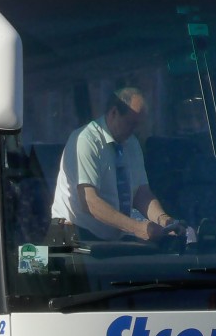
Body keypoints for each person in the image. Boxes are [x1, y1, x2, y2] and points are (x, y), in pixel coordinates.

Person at [50, 87, 177, 242]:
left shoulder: (131, 143)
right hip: (73, 236)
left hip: (110, 237)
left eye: (139, 124)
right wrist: (137, 228)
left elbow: (141, 194)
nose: (135, 130)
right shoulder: (85, 140)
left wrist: (164, 221)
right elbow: (90, 202)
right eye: (131, 123)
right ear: (114, 113)